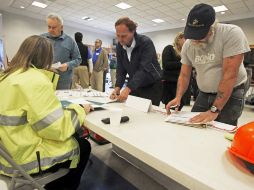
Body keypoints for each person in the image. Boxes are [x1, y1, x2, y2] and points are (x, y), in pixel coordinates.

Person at [0, 35, 91, 190]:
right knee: (83, 146)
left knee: (74, 137)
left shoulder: (7, 77)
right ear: (47, 57)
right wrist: (80, 109)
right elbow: (56, 129)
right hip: (27, 158)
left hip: (8, 154)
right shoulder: (36, 80)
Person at [166, 3, 250, 126]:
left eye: (199, 35)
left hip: (232, 91)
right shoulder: (188, 45)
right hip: (204, 93)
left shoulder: (231, 33)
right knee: (193, 125)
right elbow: (184, 75)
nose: (194, 40)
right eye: (192, 35)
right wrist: (178, 97)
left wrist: (214, 110)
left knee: (219, 131)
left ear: (212, 27)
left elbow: (229, 75)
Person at [110, 17, 162, 106]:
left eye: (123, 36)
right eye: (118, 35)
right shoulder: (120, 46)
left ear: (133, 31)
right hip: (135, 84)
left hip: (151, 84)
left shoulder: (145, 43)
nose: (120, 39)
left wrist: (128, 88)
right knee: (133, 111)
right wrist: (117, 87)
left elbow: (144, 68)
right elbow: (121, 69)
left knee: (149, 115)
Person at [41, 13, 81, 89]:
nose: (50, 30)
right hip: (44, 78)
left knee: (62, 100)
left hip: (63, 81)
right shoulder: (41, 38)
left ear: (61, 27)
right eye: (49, 27)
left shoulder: (70, 41)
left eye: (54, 27)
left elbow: (78, 59)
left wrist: (67, 65)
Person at [161, 32, 191, 109]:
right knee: (170, 106)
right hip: (170, 83)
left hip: (182, 83)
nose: (187, 41)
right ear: (179, 39)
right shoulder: (169, 48)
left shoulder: (184, 51)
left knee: (180, 105)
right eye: (185, 39)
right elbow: (166, 64)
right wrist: (184, 64)